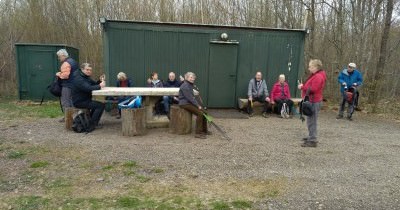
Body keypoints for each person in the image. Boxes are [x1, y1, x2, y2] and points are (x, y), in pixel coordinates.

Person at [297, 59, 327, 147]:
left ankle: (313, 140)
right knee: (310, 120)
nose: (309, 68)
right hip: (312, 100)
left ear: (316, 67)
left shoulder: (318, 76)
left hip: (314, 101)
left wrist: (302, 87)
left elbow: (313, 89)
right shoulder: (316, 75)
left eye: (311, 67)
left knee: (312, 121)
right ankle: (311, 136)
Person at [71, 63, 106, 131]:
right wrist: (100, 86)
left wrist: (99, 80)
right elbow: (88, 88)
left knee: (100, 104)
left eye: (90, 70)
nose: (89, 71)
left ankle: (91, 121)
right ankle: (92, 124)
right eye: (87, 70)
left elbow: (94, 85)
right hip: (80, 101)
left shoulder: (85, 76)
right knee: (100, 105)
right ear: (82, 69)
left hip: (85, 100)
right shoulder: (78, 78)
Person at [179, 72, 209, 139]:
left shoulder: (190, 84)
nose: (192, 79)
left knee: (205, 112)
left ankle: (204, 130)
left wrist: (200, 106)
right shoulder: (185, 86)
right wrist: (198, 105)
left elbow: (193, 97)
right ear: (187, 78)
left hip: (189, 102)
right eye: (191, 77)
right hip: (185, 103)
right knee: (200, 113)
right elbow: (190, 98)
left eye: (193, 77)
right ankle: (198, 133)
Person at [55, 49, 79, 122]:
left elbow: (65, 76)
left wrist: (58, 74)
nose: (59, 58)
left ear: (63, 55)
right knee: (72, 101)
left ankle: (67, 118)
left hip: (67, 85)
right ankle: (75, 117)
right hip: (74, 84)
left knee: (65, 102)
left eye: (59, 57)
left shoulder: (65, 63)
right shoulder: (73, 61)